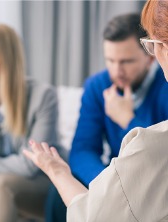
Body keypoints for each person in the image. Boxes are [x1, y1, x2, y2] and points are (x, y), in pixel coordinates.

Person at [24, 1, 168, 220]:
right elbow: (82, 150)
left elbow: (157, 151)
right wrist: (107, 184)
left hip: (151, 177)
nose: (116, 71)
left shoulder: (163, 86)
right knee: (56, 195)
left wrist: (128, 119)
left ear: (149, 57)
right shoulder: (97, 86)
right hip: (113, 173)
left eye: (126, 61)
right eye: (110, 60)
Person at [0, 23, 62, 222]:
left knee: (1, 184)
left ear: (7, 60)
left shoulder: (43, 96)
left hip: (43, 183)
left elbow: (30, 164)